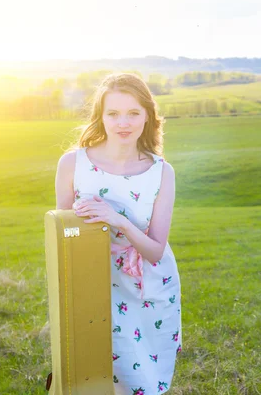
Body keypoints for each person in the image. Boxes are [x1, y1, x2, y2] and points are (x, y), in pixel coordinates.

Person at [54, 73, 182, 394]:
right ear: (101, 116)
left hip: (148, 286)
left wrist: (119, 221)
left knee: (143, 382)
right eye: (113, 113)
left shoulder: (161, 172)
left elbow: (155, 251)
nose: (123, 123)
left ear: (148, 116)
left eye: (133, 113)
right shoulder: (74, 164)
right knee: (92, 376)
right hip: (95, 282)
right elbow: (63, 234)